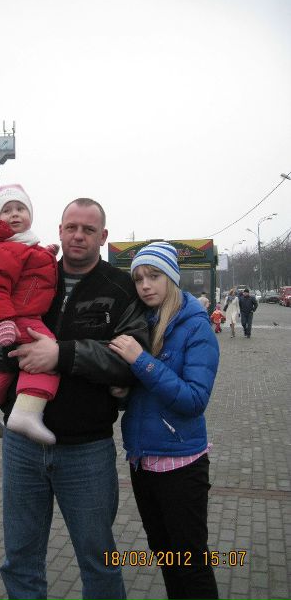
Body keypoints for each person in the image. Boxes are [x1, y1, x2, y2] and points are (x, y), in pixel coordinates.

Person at [0, 198, 149, 600]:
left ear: (103, 236)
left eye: (88, 229)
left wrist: (61, 355)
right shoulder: (30, 266)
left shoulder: (121, 288)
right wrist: (2, 350)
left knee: (99, 560)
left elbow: (132, 360)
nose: (78, 236)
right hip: (21, 447)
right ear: (59, 230)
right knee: (20, 558)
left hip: (86, 449)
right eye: (71, 227)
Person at [109, 241, 220, 600]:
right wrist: (123, 393)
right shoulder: (142, 322)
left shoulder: (195, 326)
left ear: (171, 277)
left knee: (191, 563)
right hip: (142, 462)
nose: (145, 285)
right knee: (165, 555)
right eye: (139, 278)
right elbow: (147, 394)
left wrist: (140, 361)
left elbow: (194, 400)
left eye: (154, 276)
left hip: (181, 465)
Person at [0, 184, 59, 444]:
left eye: (21, 208)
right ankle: (26, 413)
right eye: (7, 210)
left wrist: (46, 255)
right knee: (47, 356)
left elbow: (26, 272)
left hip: (16, 316)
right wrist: (4, 320)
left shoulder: (19, 246)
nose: (15, 214)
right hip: (17, 318)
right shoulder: (4, 249)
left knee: (4, 368)